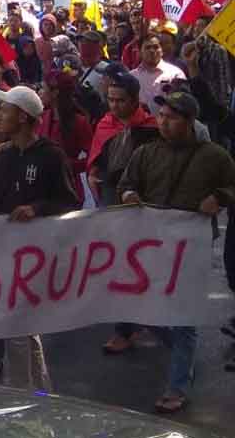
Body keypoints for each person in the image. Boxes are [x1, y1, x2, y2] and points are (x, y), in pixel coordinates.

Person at [117, 90, 235, 414]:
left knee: (183, 317)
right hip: (149, 245)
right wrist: (128, 193)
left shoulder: (215, 156)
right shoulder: (146, 153)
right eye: (161, 116)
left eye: (172, 117)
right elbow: (126, 182)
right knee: (150, 309)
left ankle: (178, 384)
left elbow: (232, 186)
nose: (163, 122)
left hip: (190, 247)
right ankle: (182, 355)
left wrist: (221, 198)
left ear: (189, 121)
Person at [0, 85, 78, 389]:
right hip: (0, 252)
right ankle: (38, 392)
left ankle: (26, 396)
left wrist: (37, 208)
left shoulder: (52, 156)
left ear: (24, 117)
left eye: (5, 110)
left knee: (20, 325)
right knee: (21, 328)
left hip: (36, 255)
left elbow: (70, 202)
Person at [90, 70, 160, 355]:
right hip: (113, 203)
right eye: (110, 99)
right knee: (120, 264)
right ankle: (124, 328)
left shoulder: (153, 128)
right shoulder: (104, 125)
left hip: (145, 204)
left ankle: (147, 320)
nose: (114, 106)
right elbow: (97, 161)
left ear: (135, 100)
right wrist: (94, 174)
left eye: (120, 100)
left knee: (146, 263)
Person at [36, 70, 94, 197]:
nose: (40, 92)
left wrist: (67, 165)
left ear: (55, 93)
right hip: (42, 187)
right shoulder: (43, 117)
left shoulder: (79, 122)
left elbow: (92, 158)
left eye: (43, 88)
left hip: (69, 188)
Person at [131, 33, 186, 114]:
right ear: (140, 51)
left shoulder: (176, 73)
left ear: (162, 51)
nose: (152, 50)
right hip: (139, 124)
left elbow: (183, 103)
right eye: (148, 47)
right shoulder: (132, 77)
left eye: (156, 47)